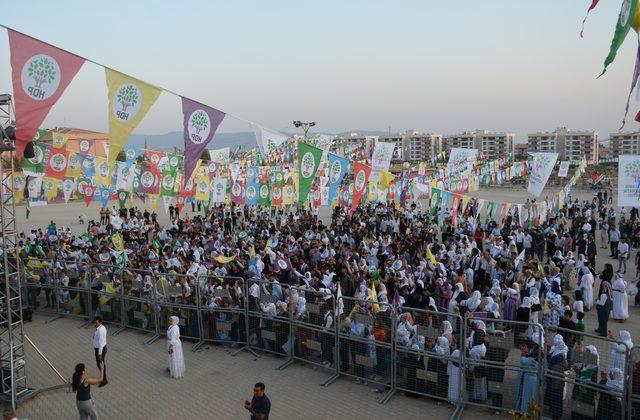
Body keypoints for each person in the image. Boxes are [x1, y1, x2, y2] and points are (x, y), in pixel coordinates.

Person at [92, 316, 107, 387]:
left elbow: (101, 343)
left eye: (96, 323)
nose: (95, 324)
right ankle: (102, 377)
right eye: (94, 322)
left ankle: (104, 380)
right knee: (101, 364)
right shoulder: (101, 328)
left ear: (100, 322)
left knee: (100, 365)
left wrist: (99, 354)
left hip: (100, 350)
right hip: (100, 349)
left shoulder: (100, 330)